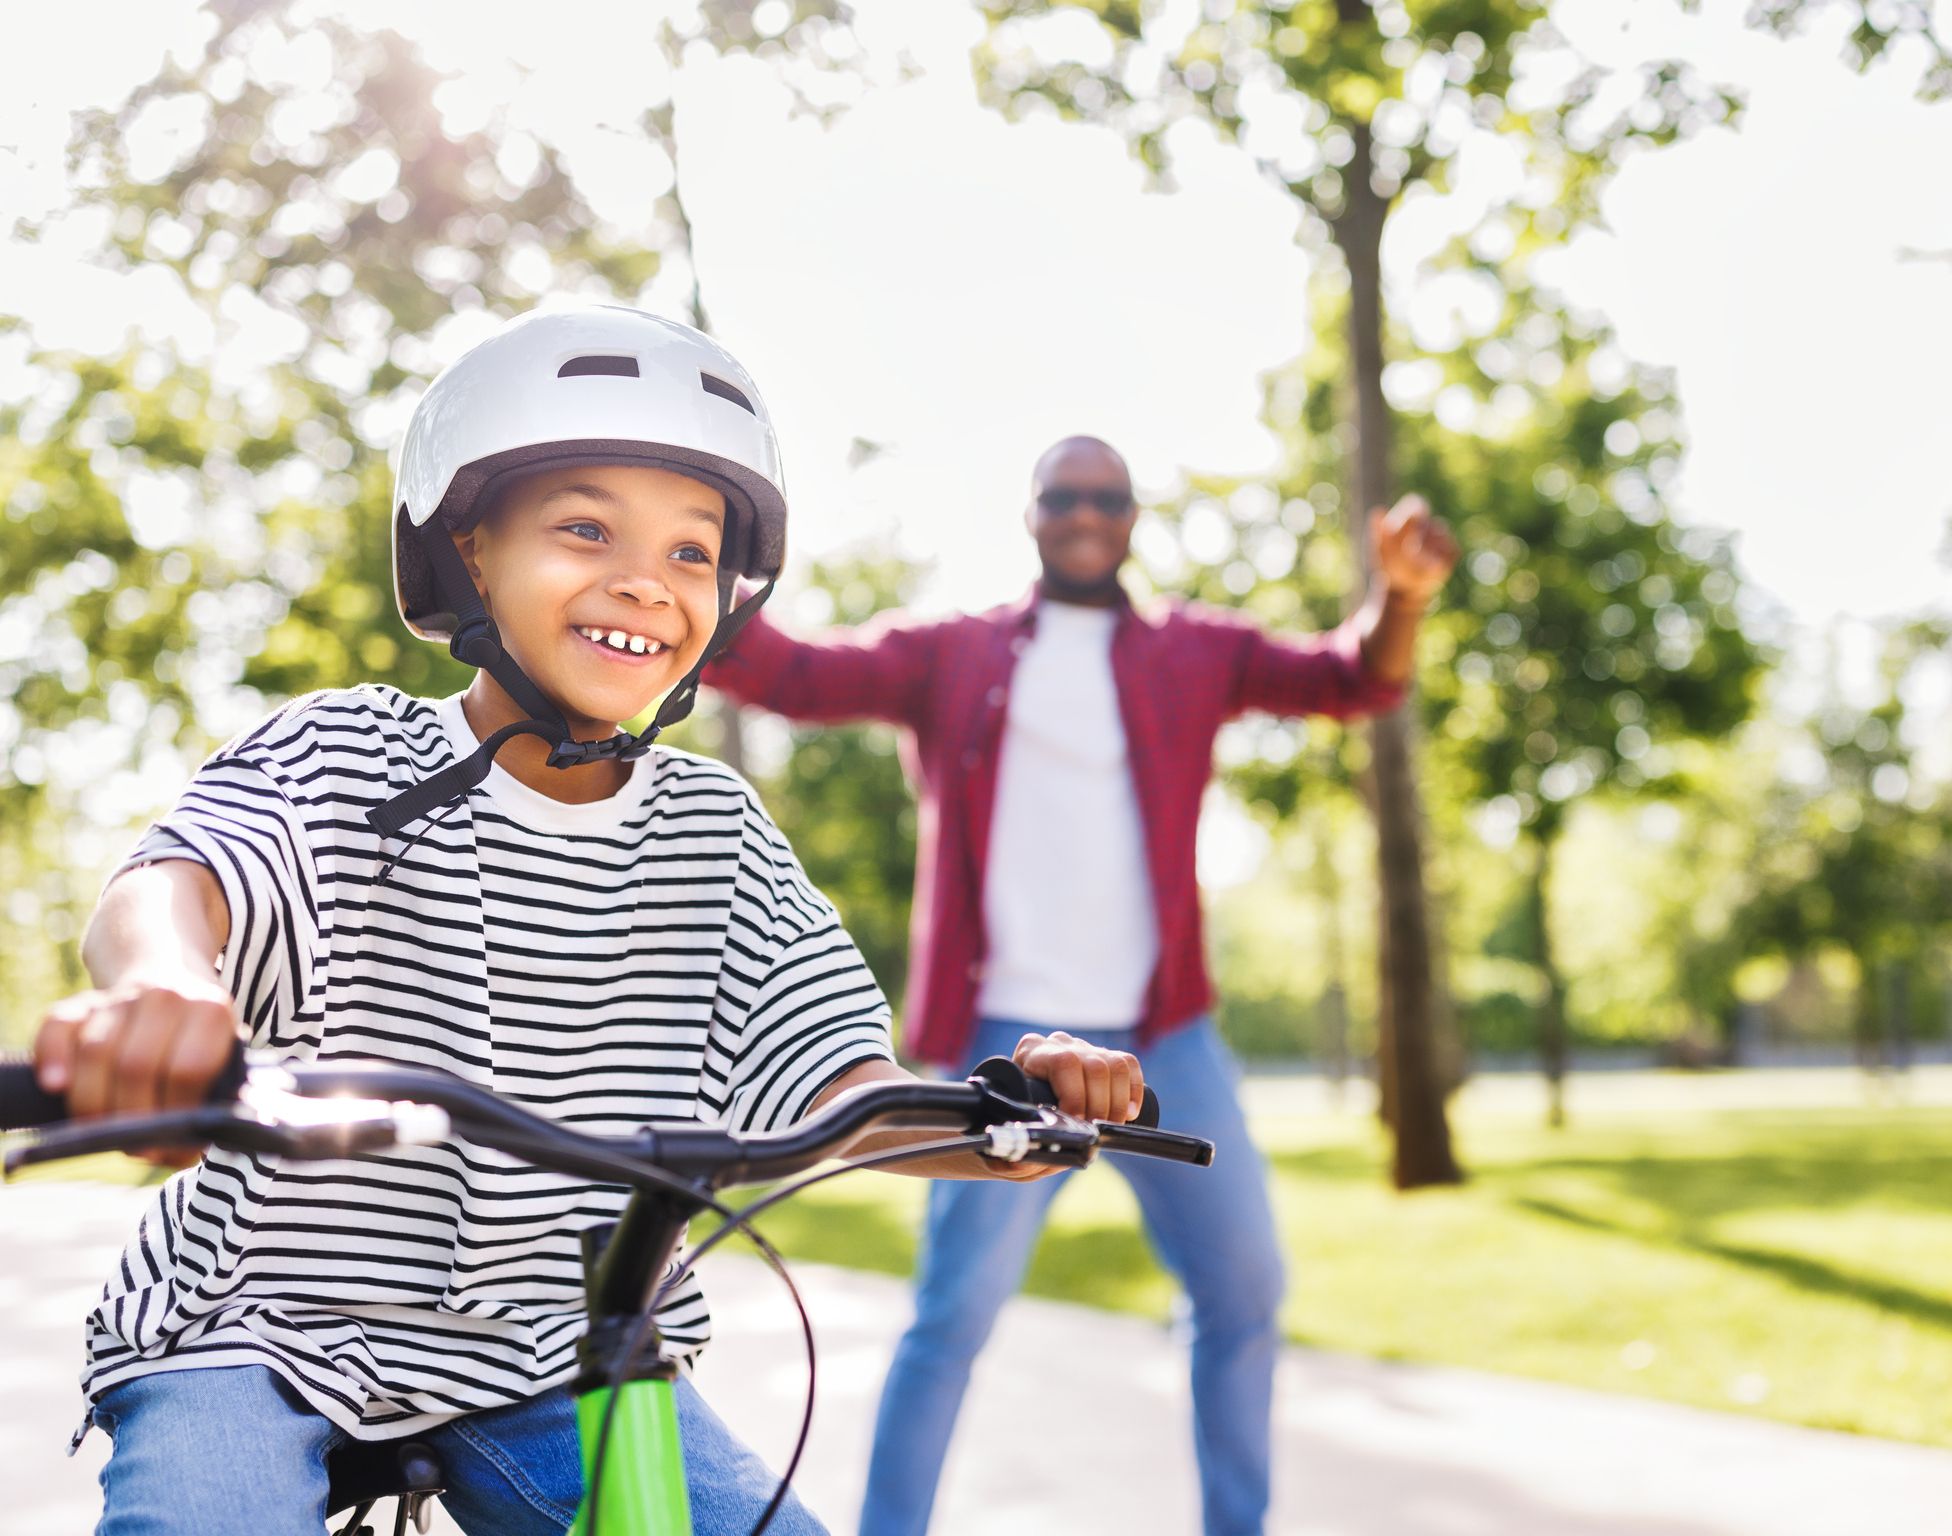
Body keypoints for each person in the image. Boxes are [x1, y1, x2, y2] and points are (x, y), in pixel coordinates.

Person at [28, 311, 1148, 1536]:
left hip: (556, 1351)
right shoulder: (344, 752)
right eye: (584, 529)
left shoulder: (716, 834)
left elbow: (840, 1085)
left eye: (690, 550)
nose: (643, 581)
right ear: (469, 551)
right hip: (258, 1325)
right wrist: (164, 989)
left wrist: (1016, 1111)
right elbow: (179, 882)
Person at [706, 435, 1459, 1536]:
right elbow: (795, 676)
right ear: (1031, 514)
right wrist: (705, 564)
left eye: (1107, 497)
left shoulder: (1193, 651)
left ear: (1132, 517)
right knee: (951, 1318)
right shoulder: (953, 651)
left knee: (1245, 1294)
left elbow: (1352, 679)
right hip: (1010, 1044)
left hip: (1168, 1034)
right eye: (1063, 496)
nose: (1086, 513)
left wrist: (1402, 597)